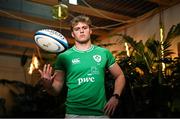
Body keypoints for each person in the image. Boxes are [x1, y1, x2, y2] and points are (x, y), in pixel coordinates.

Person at [38, 15, 125, 118]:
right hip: (74, 114)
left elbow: (120, 75)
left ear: (90, 31)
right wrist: (47, 85)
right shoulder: (64, 57)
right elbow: (56, 89)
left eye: (85, 28)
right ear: (72, 34)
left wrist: (116, 96)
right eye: (77, 29)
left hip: (101, 113)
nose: (81, 31)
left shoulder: (104, 53)